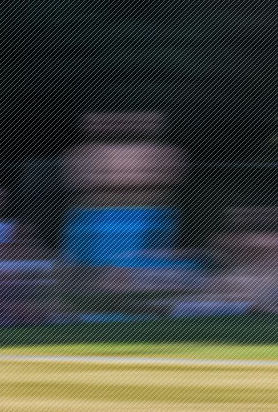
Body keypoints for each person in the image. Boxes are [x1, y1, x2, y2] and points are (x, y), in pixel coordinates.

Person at [59, 111, 187, 292]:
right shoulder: (80, 154)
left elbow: (165, 182)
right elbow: (79, 182)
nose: (121, 123)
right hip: (95, 221)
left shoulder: (166, 153)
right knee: (89, 278)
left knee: (133, 276)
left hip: (144, 220)